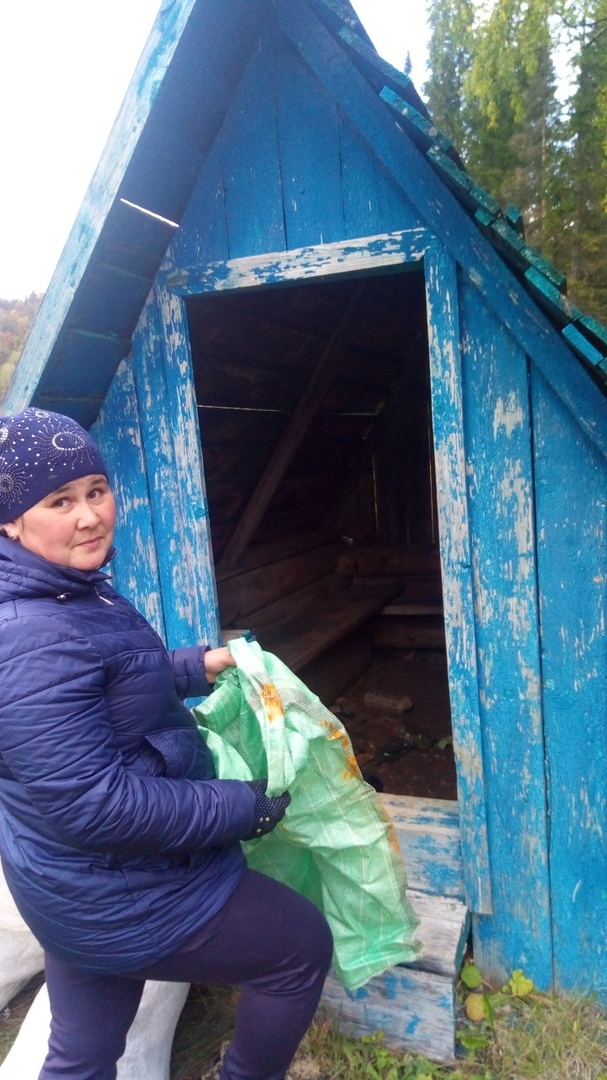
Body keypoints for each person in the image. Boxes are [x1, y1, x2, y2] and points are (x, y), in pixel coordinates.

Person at [0, 408, 333, 1080]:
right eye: (59, 502)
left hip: (76, 890)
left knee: (83, 1053)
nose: (90, 516)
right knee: (299, 949)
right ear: (10, 522)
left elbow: (107, 682)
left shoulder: (64, 592)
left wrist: (193, 667)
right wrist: (241, 807)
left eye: (96, 490)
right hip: (130, 891)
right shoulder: (30, 636)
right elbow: (95, 806)